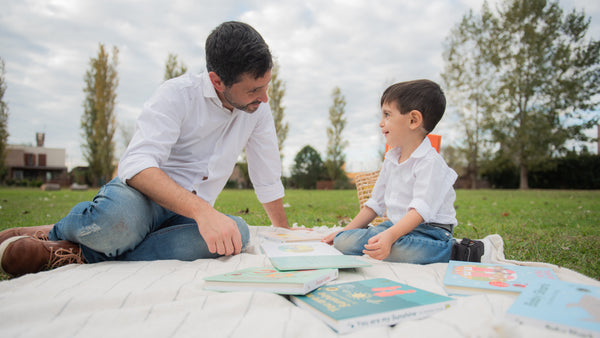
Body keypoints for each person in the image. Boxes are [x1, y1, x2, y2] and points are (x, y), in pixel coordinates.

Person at [0, 21, 290, 277]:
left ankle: (78, 254)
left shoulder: (258, 110)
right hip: (142, 198)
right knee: (118, 225)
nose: (264, 98)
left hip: (186, 216)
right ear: (217, 80)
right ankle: (51, 233)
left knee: (235, 235)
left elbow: (266, 175)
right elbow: (135, 164)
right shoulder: (176, 95)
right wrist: (203, 212)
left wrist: (285, 234)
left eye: (266, 85)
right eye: (254, 90)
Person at [322, 79, 487, 264]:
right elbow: (375, 203)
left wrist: (390, 236)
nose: (381, 123)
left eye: (387, 115)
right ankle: (379, 240)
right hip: (395, 226)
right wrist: (344, 232)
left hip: (430, 232)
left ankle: (455, 251)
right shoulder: (391, 159)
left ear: (413, 120)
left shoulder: (431, 163)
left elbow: (420, 211)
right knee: (343, 242)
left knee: (403, 252)